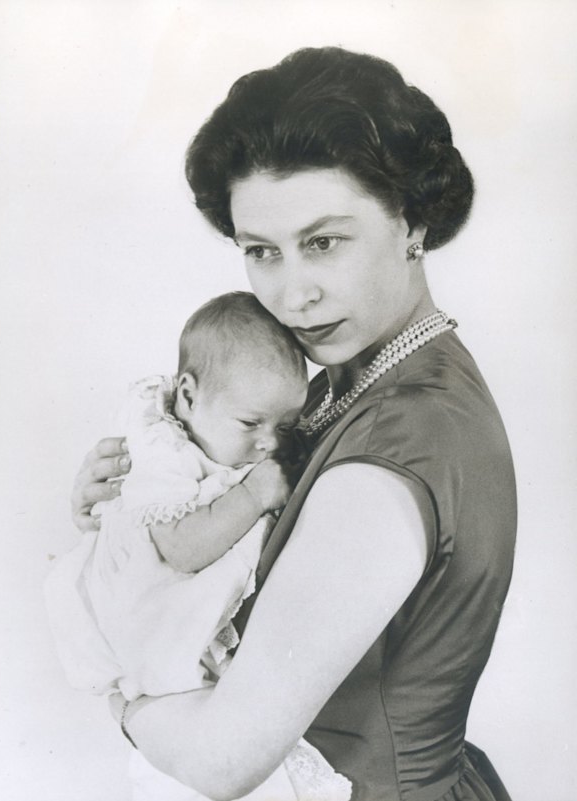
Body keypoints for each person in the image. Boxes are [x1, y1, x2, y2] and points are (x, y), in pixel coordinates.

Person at [71, 47, 517, 801]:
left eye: (323, 242)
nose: (292, 294)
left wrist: (113, 684)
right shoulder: (352, 387)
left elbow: (221, 760)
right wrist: (133, 511)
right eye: (261, 252)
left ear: (411, 221)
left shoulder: (398, 445)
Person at [46, 292, 352, 800]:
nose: (268, 444)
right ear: (187, 395)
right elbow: (183, 550)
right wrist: (254, 494)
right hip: (155, 629)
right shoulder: (161, 453)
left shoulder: (219, 429)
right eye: (251, 424)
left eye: (284, 426)